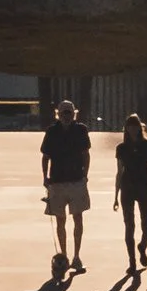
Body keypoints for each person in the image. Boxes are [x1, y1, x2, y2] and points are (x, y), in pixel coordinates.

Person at [40, 99, 92, 276]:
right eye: (63, 113)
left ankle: (77, 256)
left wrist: (85, 175)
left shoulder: (81, 130)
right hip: (57, 181)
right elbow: (45, 156)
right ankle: (63, 255)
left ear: (74, 114)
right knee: (60, 220)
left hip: (76, 179)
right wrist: (45, 177)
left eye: (69, 112)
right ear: (58, 114)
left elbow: (86, 154)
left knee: (78, 218)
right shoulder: (52, 131)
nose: (66, 116)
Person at [112, 112, 147, 270]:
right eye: (130, 126)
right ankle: (132, 261)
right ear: (126, 129)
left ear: (139, 127)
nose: (133, 129)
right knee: (129, 225)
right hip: (127, 188)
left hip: (144, 187)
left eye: (135, 126)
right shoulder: (121, 148)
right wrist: (115, 196)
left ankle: (142, 246)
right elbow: (119, 172)